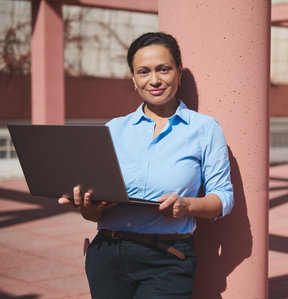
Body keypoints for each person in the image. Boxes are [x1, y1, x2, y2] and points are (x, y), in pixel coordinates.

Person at [58, 32, 234, 298]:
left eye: (164, 69)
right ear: (133, 78)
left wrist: (186, 205)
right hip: (106, 255)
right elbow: (97, 210)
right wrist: (88, 209)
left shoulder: (205, 129)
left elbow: (224, 198)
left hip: (167, 258)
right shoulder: (114, 129)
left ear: (179, 72)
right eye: (143, 72)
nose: (154, 80)